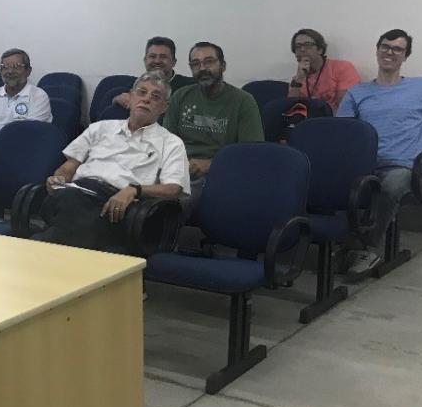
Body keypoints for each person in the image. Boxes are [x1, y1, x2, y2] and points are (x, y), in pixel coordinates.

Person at [337, 29, 422, 274]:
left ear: (405, 56)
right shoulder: (357, 92)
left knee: (391, 186)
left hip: (406, 166)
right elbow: (342, 132)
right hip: (366, 164)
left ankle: (367, 246)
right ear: (377, 50)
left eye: (397, 49)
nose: (389, 52)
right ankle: (341, 240)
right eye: (385, 46)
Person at [36, 72, 188, 251]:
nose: (147, 99)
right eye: (142, 92)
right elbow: (68, 166)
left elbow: (173, 189)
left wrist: (134, 190)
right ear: (130, 98)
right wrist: (58, 178)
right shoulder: (100, 128)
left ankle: (41, 248)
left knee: (66, 222)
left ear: (164, 107)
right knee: (72, 205)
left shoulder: (171, 143)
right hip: (77, 191)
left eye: (155, 97)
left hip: (118, 205)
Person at [164, 42, 264, 210]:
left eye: (209, 61)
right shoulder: (180, 96)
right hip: (178, 169)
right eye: (195, 64)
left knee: (169, 205)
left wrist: (210, 164)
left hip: (217, 174)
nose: (202, 68)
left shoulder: (243, 101)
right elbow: (165, 142)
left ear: (222, 66)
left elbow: (251, 155)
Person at [0, 48, 52, 187]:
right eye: (5, 67)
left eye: (16, 67)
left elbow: (30, 136)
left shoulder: (39, 96)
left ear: (28, 71)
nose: (9, 72)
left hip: (24, 161)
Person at [285, 28, 360, 114]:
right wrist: (298, 80)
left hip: (337, 122)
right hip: (308, 123)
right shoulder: (297, 79)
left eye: (308, 45)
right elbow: (290, 109)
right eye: (298, 46)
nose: (302, 49)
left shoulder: (342, 68)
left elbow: (345, 108)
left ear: (320, 49)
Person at [111, 37, 195, 108]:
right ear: (145, 60)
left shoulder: (190, 87)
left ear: (174, 62)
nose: (157, 61)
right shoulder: (135, 85)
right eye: (152, 56)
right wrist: (117, 99)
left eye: (163, 57)